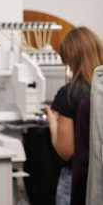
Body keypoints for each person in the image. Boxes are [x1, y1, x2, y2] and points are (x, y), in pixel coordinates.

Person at [45, 27, 103, 205]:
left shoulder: (68, 94)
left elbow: (66, 150)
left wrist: (52, 122)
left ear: (71, 58)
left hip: (75, 179)